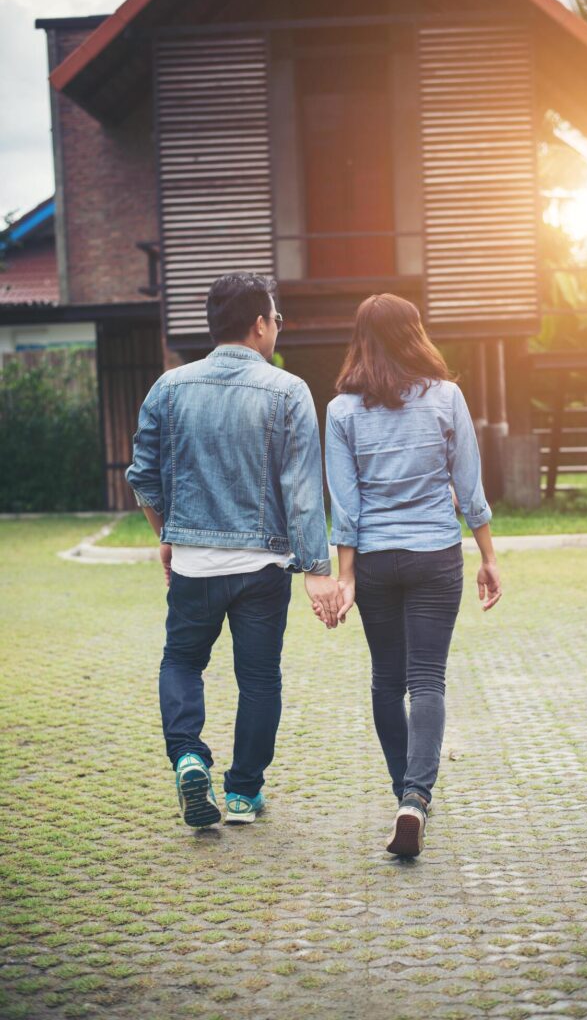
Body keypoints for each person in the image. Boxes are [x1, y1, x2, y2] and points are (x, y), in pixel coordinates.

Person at [126, 272, 342, 829]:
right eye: (276, 319)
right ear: (259, 324)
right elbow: (300, 488)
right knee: (259, 678)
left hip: (195, 563)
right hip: (263, 567)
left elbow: (144, 478)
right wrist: (318, 570)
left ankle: (189, 757)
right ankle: (244, 793)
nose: (277, 329)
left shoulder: (168, 388)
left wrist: (167, 536)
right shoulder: (288, 390)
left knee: (181, 662)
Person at [318, 293, 502, 858]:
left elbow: (344, 505)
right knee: (427, 679)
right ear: (415, 334)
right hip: (435, 555)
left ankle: (405, 791)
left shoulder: (343, 410)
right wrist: (489, 556)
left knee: (385, 679)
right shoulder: (446, 398)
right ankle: (415, 799)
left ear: (361, 338)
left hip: (375, 559)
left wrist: (345, 575)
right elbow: (468, 487)